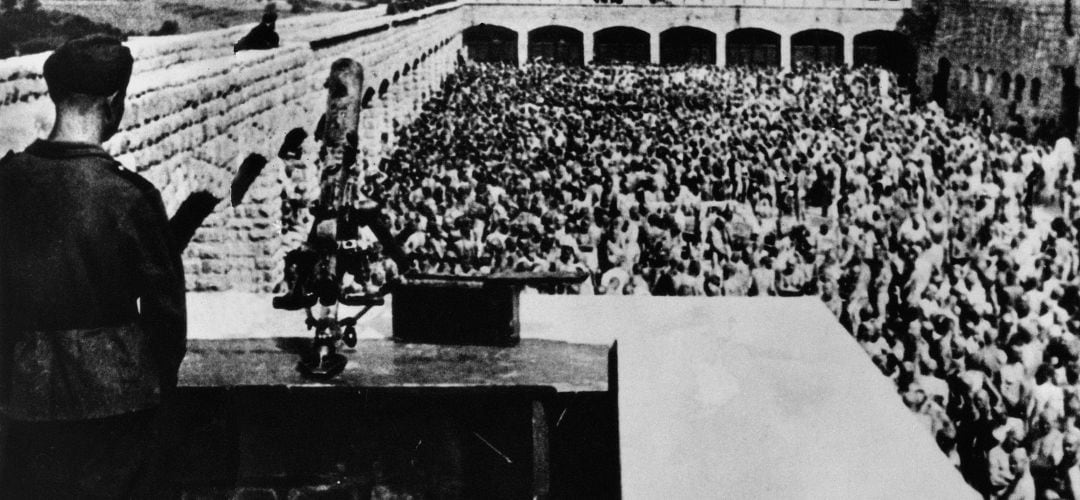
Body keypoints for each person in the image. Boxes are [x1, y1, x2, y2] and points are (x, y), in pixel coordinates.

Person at [0, 35, 186, 498]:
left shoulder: (6, 183)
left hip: (25, 400)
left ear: (55, 96)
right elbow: (167, 319)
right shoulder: (131, 197)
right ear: (114, 102)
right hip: (119, 401)